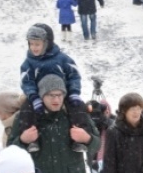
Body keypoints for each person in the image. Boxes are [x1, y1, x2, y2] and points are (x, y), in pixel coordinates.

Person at [15, 24, 91, 154]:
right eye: (31, 44)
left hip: (62, 94)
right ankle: (32, 140)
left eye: (37, 44)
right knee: (27, 110)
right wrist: (33, 97)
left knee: (78, 108)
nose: (34, 47)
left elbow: (74, 75)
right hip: (39, 96)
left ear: (47, 43)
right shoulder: (28, 63)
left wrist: (74, 92)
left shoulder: (62, 59)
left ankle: (79, 139)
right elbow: (27, 82)